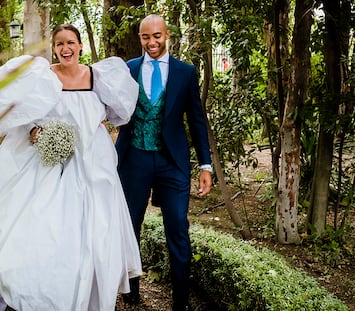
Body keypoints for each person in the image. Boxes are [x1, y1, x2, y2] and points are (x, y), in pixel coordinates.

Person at [0, 24, 142, 311]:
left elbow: (119, 114)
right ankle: (43, 292)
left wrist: (96, 123)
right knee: (45, 228)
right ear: (54, 48)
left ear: (80, 46)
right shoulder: (43, 77)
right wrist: (36, 134)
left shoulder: (99, 77)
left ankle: (86, 293)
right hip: (49, 166)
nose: (66, 48)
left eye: (71, 43)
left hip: (93, 164)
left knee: (92, 231)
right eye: (60, 43)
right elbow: (26, 114)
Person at [116, 14, 212, 311]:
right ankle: (132, 292)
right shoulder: (128, 70)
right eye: (146, 37)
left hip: (173, 162)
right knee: (130, 226)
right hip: (134, 159)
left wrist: (205, 166)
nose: (152, 42)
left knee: (177, 229)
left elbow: (196, 120)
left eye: (156, 36)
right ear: (140, 38)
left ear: (166, 34)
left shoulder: (185, 72)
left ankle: (180, 302)